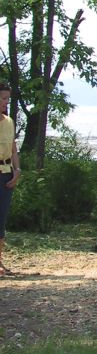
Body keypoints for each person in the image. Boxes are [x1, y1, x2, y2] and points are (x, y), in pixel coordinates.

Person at [0, 84, 21, 276]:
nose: (6, 102)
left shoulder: (9, 121)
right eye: (3, 98)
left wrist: (17, 171)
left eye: (7, 98)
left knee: (1, 218)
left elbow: (13, 148)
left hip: (6, 173)